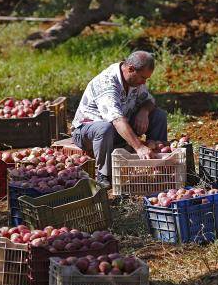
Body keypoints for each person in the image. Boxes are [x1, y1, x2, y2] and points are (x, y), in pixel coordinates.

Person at [71, 51, 167, 189]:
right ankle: (103, 175)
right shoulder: (107, 83)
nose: (144, 82)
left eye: (146, 79)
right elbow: (116, 120)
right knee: (105, 128)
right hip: (88, 132)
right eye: (142, 78)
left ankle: (158, 163)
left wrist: (144, 111)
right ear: (130, 69)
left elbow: (150, 101)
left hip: (118, 129)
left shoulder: (134, 80)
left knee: (158, 115)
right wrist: (139, 147)